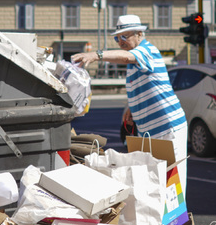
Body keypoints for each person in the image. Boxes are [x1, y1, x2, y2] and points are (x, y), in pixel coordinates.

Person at [71, 14, 188, 195]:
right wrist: (131, 108)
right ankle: (162, 222)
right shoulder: (135, 61)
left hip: (168, 127)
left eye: (124, 36)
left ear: (139, 34)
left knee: (172, 183)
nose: (120, 41)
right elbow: (142, 85)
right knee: (155, 182)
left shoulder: (147, 50)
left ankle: (177, 223)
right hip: (149, 131)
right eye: (117, 38)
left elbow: (126, 57)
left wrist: (96, 55)